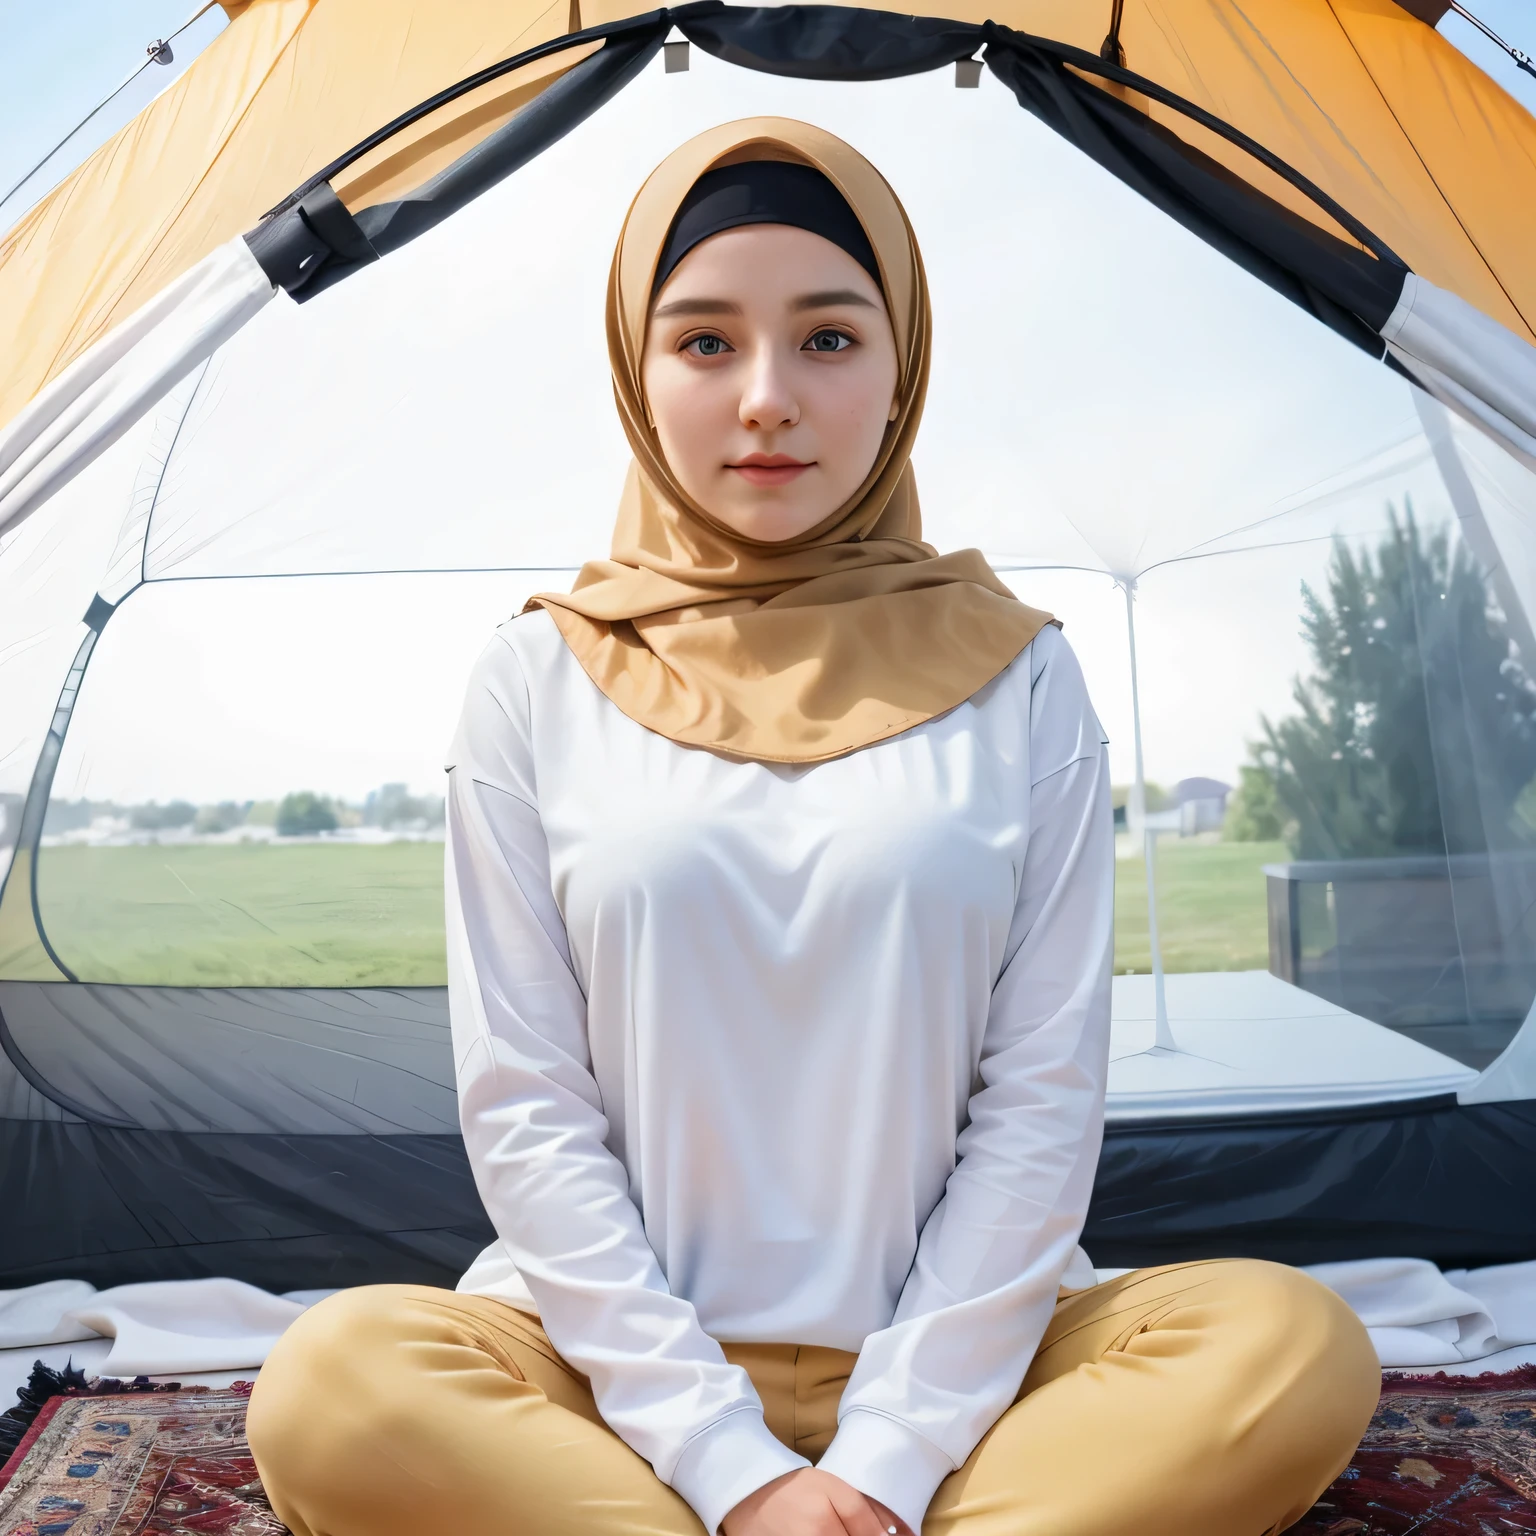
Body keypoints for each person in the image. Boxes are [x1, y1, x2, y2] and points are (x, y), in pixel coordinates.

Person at [248, 116, 1379, 1536]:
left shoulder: (1024, 677)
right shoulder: (534, 679)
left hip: (979, 1377)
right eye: (706, 342)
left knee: (1290, 1346)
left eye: (830, 340)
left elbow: (1041, 1106)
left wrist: (891, 1450)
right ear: (634, 368)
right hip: (606, 1377)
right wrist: (731, 1466)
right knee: (329, 1387)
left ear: (902, 369)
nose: (768, 398)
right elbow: (528, 1109)